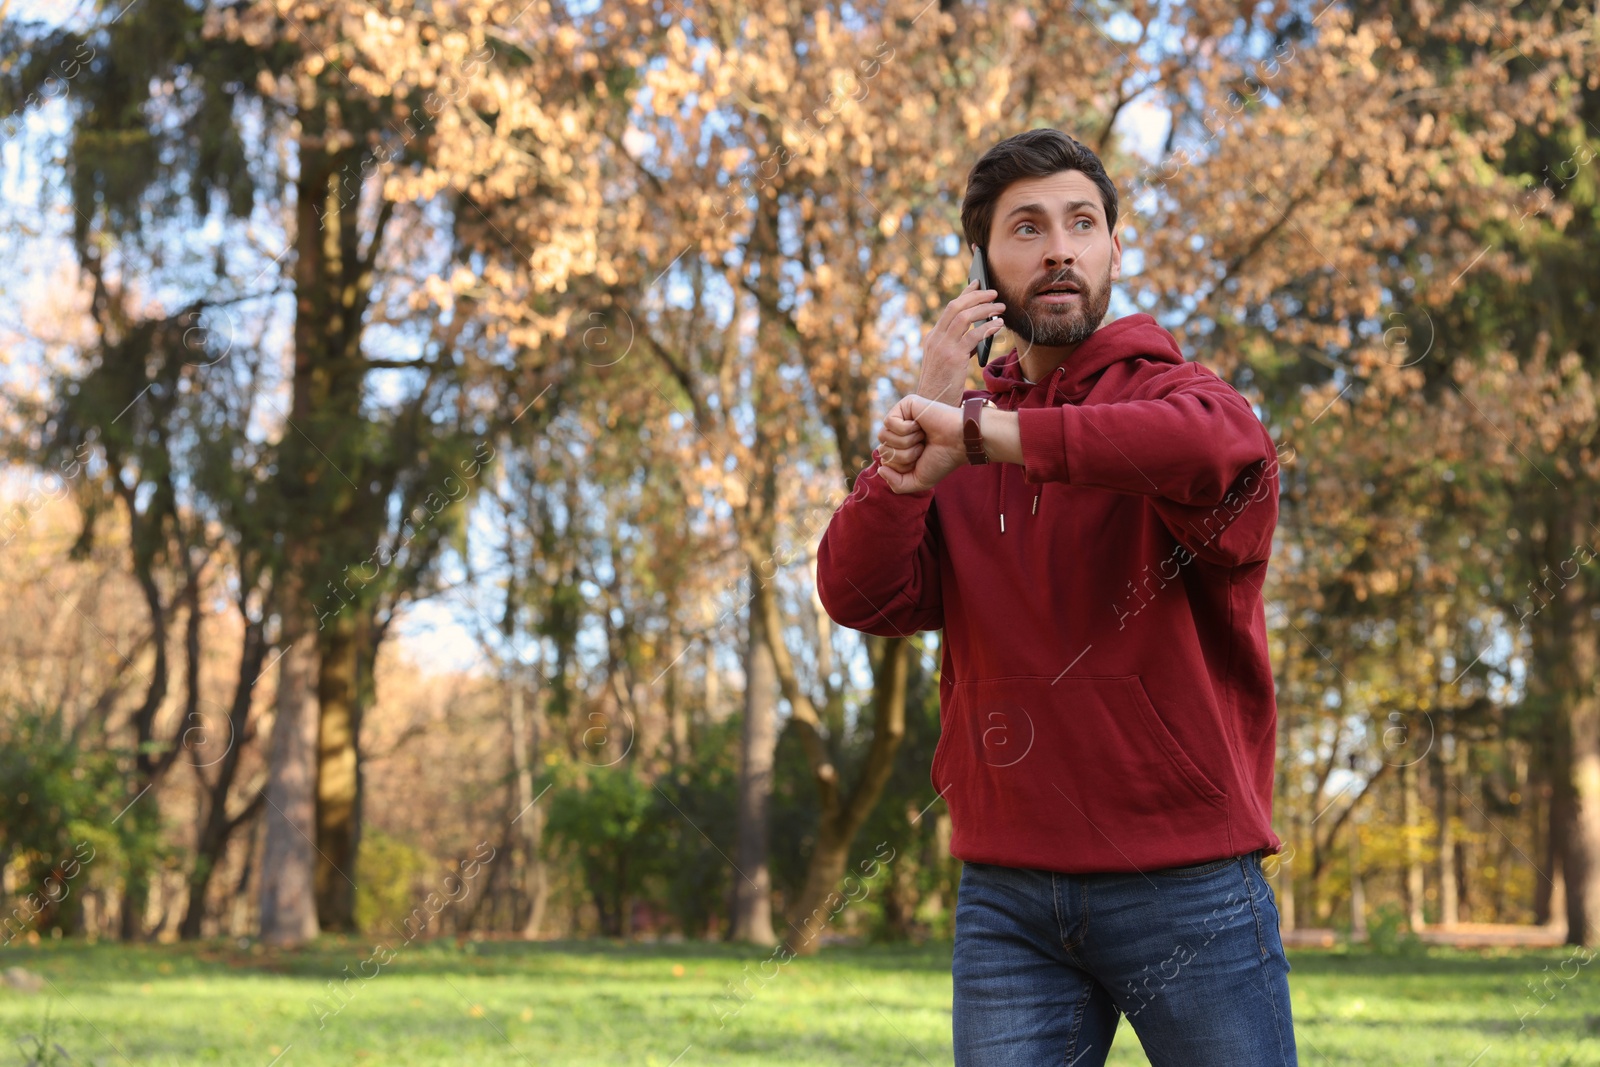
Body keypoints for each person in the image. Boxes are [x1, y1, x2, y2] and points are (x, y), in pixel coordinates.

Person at [815, 128, 1297, 1066]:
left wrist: (990, 435)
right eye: (1026, 228)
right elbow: (857, 592)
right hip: (1008, 895)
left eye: (1082, 222)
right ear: (986, 267)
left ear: (1115, 250)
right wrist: (906, 472)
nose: (1060, 248)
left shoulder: (1183, 397)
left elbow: (1208, 450)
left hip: (1186, 881)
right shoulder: (960, 429)